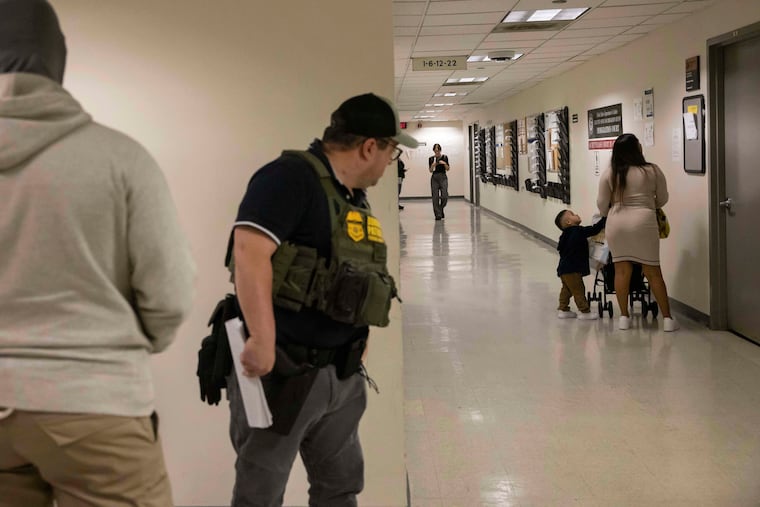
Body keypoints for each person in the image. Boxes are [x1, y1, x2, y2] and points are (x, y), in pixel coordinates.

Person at [0, 1, 196, 505]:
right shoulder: (120, 157)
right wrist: (124, 345)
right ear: (56, 61)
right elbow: (170, 293)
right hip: (93, 401)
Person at [227, 92, 418, 505]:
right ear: (370, 146)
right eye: (391, 152)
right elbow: (249, 252)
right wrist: (260, 338)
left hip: (341, 375)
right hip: (286, 371)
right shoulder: (289, 178)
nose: (391, 163)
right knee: (260, 492)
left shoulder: (351, 195)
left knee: (340, 487)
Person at [596, 133, 678, 331]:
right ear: (638, 149)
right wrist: (647, 205)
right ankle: (667, 319)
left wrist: (614, 211)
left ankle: (624, 317)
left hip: (617, 223)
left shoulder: (610, 173)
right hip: (644, 222)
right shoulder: (652, 170)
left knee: (621, 270)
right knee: (652, 272)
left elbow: (601, 205)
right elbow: (663, 198)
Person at [554, 210, 607, 320]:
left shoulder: (565, 235)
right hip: (572, 269)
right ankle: (584, 311)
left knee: (567, 289)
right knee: (579, 290)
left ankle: (563, 309)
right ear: (569, 222)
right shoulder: (578, 230)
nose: (577, 214)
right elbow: (594, 229)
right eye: (572, 214)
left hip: (564, 269)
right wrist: (605, 219)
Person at [428, 143, 449, 220]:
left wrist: (444, 164)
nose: (437, 152)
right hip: (434, 178)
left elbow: (448, 168)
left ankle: (440, 209)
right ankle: (438, 214)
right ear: (433, 150)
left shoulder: (444, 157)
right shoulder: (431, 159)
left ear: (440, 150)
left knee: (444, 196)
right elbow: (430, 171)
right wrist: (433, 166)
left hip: (443, 177)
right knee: (435, 197)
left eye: (438, 150)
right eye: (435, 150)